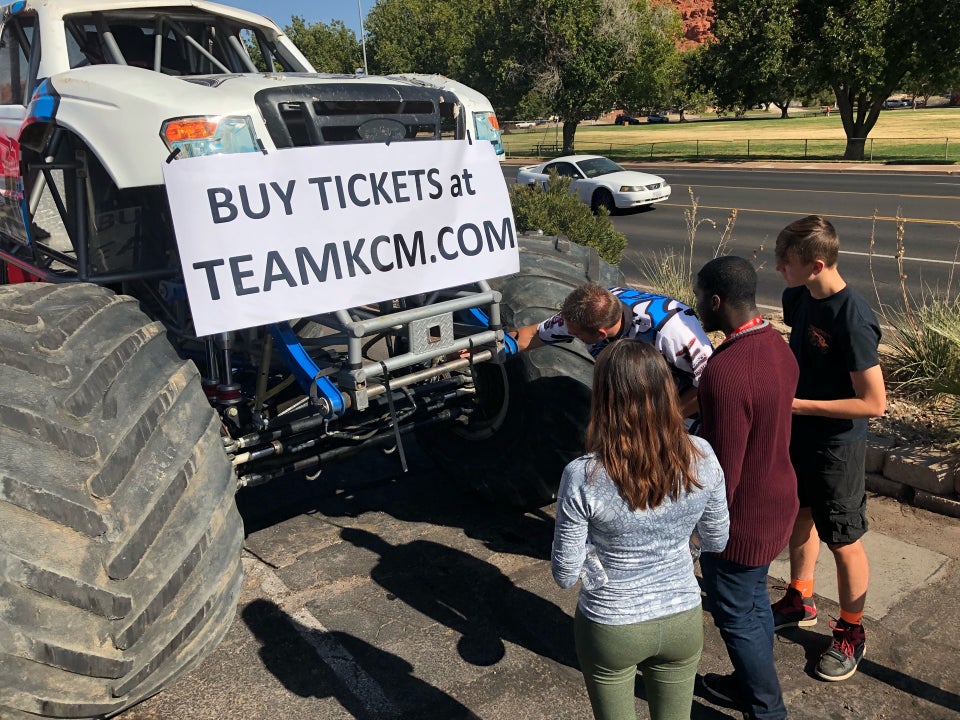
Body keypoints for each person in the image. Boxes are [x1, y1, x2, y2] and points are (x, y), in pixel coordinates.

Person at [551, 339, 730, 720]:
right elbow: (716, 539)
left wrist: (598, 562)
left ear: (604, 398)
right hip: (682, 617)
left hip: (611, 623)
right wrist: (684, 547)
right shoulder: (702, 455)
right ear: (667, 390)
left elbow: (565, 574)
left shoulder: (582, 475)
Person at [771, 215, 886, 682]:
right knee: (800, 514)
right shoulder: (798, 296)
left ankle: (852, 630)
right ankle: (800, 597)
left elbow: (874, 403)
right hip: (800, 433)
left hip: (837, 446)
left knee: (843, 539)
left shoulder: (852, 318)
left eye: (786, 262)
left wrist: (799, 405)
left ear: (816, 265)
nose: (778, 268)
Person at [693, 256, 799, 718]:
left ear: (717, 301)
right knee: (754, 604)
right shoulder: (778, 346)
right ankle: (749, 683)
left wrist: (699, 532)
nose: (696, 306)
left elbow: (722, 471)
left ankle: (766, 710)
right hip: (778, 503)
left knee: (735, 617)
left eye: (700, 297)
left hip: (741, 521)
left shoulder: (727, 370)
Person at [513, 284, 714, 418]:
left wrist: (662, 424)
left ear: (601, 334)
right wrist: (500, 346)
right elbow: (532, 335)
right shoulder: (587, 312)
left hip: (688, 405)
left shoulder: (672, 332)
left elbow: (709, 386)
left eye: (576, 335)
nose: (570, 334)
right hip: (642, 397)